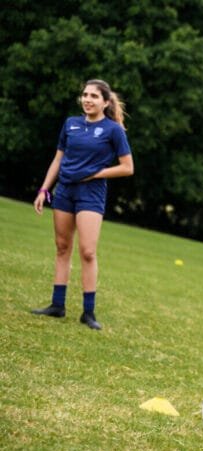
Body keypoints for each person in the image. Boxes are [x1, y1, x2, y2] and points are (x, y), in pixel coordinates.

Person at [31, 79, 134, 330]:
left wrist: (97, 174)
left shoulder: (113, 130)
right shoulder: (70, 124)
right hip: (64, 191)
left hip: (91, 194)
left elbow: (127, 167)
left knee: (87, 251)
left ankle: (88, 313)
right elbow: (58, 160)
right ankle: (57, 305)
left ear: (106, 102)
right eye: (85, 95)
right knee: (62, 247)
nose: (88, 99)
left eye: (94, 96)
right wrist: (45, 189)